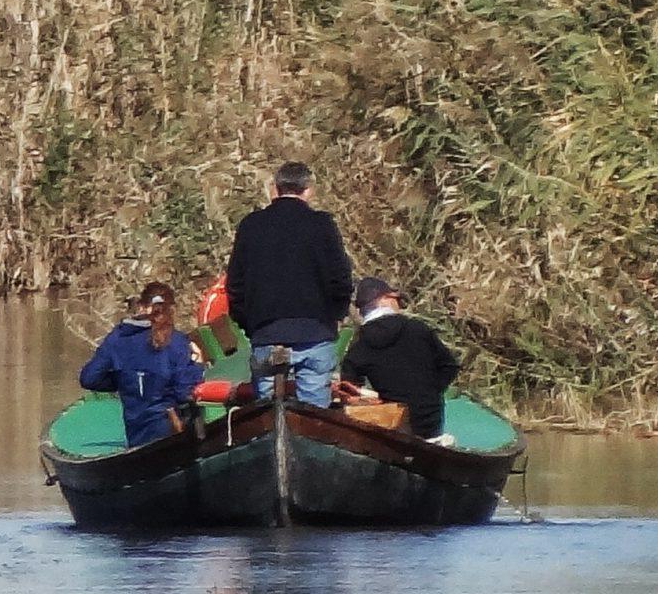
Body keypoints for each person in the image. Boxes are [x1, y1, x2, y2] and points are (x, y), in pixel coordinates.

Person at [222, 161, 355, 405]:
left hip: (266, 331)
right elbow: (341, 279)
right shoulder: (322, 224)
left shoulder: (251, 225)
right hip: (315, 331)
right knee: (314, 418)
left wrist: (249, 324)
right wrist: (336, 314)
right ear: (308, 189)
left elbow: (235, 285)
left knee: (267, 414)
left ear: (276, 189)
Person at [78, 281, 206, 446]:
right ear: (171, 310)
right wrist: (198, 366)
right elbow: (184, 393)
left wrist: (124, 380)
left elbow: (89, 378)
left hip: (136, 436)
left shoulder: (117, 339)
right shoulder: (178, 341)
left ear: (141, 307)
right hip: (171, 433)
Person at [341, 277, 461, 441]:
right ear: (385, 300)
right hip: (429, 419)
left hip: (392, 425)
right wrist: (430, 393)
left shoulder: (359, 346)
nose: (399, 304)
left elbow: (349, 390)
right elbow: (450, 366)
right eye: (396, 299)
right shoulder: (418, 329)